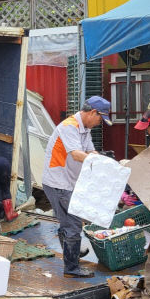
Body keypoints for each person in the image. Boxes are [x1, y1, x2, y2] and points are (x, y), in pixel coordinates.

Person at [42, 95, 111, 278]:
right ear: (93, 112)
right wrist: (102, 162)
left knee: (68, 222)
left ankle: (70, 254)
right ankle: (71, 268)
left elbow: (90, 151)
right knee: (73, 224)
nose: (99, 123)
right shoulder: (69, 126)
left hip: (68, 181)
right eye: (100, 118)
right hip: (58, 182)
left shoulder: (85, 128)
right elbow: (77, 155)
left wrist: (101, 159)